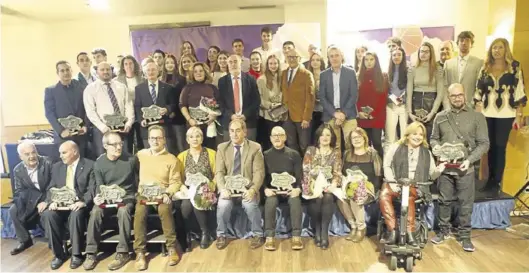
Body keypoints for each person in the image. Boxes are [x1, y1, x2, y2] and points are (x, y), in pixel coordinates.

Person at [430, 83, 489, 252]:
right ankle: (443, 231)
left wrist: (470, 160)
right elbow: (434, 138)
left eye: (460, 95)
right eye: (453, 95)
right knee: (443, 200)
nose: (457, 98)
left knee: (466, 203)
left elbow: (484, 144)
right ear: (448, 97)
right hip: (445, 168)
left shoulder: (477, 117)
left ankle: (465, 236)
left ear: (465, 95)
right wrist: (436, 148)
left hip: (466, 167)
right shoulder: (440, 117)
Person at [379, 122, 445, 246]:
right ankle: (393, 230)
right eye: (415, 134)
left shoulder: (426, 152)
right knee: (384, 195)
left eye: (421, 134)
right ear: (408, 135)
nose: (418, 137)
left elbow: (431, 174)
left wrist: (439, 170)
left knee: (408, 195)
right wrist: (392, 183)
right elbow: (386, 165)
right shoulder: (395, 147)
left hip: (415, 185)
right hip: (395, 182)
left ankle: (409, 232)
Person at [474, 38, 527, 193]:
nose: (496, 50)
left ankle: (497, 180)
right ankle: (490, 179)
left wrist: (519, 114)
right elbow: (478, 89)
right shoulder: (485, 67)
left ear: (506, 49)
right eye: (494, 48)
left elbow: (520, 90)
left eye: (500, 47)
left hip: (506, 113)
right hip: (486, 112)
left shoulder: (515, 67)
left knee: (500, 146)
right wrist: (477, 106)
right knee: (488, 147)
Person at [82, 132, 137, 270]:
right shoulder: (99, 163)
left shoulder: (131, 160)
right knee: (95, 211)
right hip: (108, 198)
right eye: (114, 144)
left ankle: (123, 252)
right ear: (105, 146)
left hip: (126, 197)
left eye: (120, 144)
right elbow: (99, 186)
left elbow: (138, 181)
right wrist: (98, 197)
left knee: (123, 211)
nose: (119, 147)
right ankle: (91, 252)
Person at [133, 125, 182, 270]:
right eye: (152, 138)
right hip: (144, 194)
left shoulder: (171, 159)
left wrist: (168, 193)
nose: (155, 141)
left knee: (164, 210)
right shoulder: (140, 155)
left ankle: (172, 247)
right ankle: (140, 252)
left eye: (158, 138)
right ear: (148, 140)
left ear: (164, 140)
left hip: (162, 193)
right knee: (139, 212)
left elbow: (176, 181)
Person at [41, 141, 95, 270]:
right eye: (60, 153)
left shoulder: (90, 165)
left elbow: (92, 188)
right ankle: (59, 255)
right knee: (48, 214)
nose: (61, 156)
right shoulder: (57, 167)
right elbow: (51, 188)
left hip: (79, 204)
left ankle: (76, 254)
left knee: (76, 214)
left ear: (75, 151)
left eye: (64, 153)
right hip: (60, 205)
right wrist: (51, 201)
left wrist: (83, 202)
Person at [215, 120, 265, 250]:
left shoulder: (255, 148)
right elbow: (219, 172)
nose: (234, 134)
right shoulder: (222, 148)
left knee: (250, 205)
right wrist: (222, 189)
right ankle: (221, 235)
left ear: (245, 132)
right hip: (228, 190)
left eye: (238, 130)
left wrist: (253, 190)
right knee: (223, 205)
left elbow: (259, 173)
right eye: (231, 131)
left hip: (247, 189)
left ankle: (258, 234)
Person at [176, 127, 217, 249]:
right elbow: (178, 178)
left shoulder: (211, 154)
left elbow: (217, 175)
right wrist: (184, 189)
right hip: (189, 191)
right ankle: (192, 233)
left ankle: (205, 232)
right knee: (185, 206)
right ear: (187, 140)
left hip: (207, 190)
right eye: (191, 137)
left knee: (199, 200)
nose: (195, 139)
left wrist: (210, 187)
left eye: (198, 136)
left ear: (202, 138)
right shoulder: (181, 157)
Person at [263, 126, 303, 251]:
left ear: (285, 137)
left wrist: (298, 189)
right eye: (274, 135)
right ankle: (269, 237)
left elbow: (300, 176)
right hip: (273, 191)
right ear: (270, 138)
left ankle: (296, 236)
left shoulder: (294, 154)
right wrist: (265, 189)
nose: (277, 138)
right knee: (270, 202)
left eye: (280, 135)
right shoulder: (265, 155)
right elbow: (262, 176)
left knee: (295, 202)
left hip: (290, 191)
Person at [338, 128, 381, 242]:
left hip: (368, 187)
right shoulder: (347, 154)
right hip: (349, 186)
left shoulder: (372, 154)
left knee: (354, 195)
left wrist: (374, 189)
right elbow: (342, 173)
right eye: (353, 138)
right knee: (340, 197)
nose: (356, 140)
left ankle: (361, 228)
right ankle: (353, 226)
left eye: (359, 137)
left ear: (364, 138)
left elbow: (378, 174)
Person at [302, 124, 342, 250]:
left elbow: (337, 172)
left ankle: (324, 232)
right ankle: (317, 228)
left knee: (328, 197)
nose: (325, 137)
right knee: (318, 198)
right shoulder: (311, 150)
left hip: (329, 186)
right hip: (312, 185)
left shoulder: (336, 153)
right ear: (318, 137)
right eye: (322, 135)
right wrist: (315, 188)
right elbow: (306, 170)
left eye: (328, 135)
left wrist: (334, 184)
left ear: (332, 138)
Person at [9, 141, 52, 255]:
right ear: (20, 157)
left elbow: (54, 185)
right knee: (13, 210)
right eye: (27, 154)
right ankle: (25, 240)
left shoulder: (48, 162)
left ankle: (54, 242)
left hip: (49, 197)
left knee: (46, 213)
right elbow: (19, 191)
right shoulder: (17, 170)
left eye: (34, 152)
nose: (32, 156)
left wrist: (46, 201)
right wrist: (33, 202)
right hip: (32, 200)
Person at [84, 62, 134, 158]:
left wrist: (128, 123)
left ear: (112, 71)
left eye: (108, 69)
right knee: (104, 159)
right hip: (102, 131)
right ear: (97, 72)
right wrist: (103, 127)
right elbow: (90, 112)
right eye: (102, 70)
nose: (105, 72)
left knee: (125, 158)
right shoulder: (90, 89)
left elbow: (129, 106)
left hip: (122, 129)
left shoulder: (121, 86)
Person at [45, 61, 89, 158]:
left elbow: (88, 108)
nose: (66, 73)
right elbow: (49, 113)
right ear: (58, 73)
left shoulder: (82, 87)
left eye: (67, 69)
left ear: (71, 70)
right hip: (63, 136)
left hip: (81, 134)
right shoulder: (51, 91)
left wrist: (85, 125)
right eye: (62, 70)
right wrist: (61, 131)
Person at [319, 46, 358, 151]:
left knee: (352, 144)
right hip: (330, 114)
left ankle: (351, 166)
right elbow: (322, 97)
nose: (334, 58)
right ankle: (336, 167)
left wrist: (343, 113)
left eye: (337, 55)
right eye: (331, 56)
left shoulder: (350, 72)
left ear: (342, 56)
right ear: (328, 58)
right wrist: (335, 113)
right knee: (333, 146)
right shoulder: (323, 75)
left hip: (348, 113)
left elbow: (353, 95)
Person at [406, 42, 445, 140]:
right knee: (414, 136)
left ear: (431, 53)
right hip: (415, 104)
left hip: (431, 104)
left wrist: (432, 113)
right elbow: (409, 93)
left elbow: (440, 94)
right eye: (421, 51)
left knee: (430, 137)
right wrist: (410, 113)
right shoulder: (412, 69)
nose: (423, 54)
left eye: (426, 52)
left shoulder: (438, 69)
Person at [218, 54, 261, 141]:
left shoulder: (251, 79)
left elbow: (256, 101)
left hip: (248, 122)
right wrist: (231, 115)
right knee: (230, 152)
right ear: (227, 64)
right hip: (229, 123)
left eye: (235, 61)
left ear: (240, 63)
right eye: (230, 62)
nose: (233, 64)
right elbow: (221, 103)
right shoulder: (222, 81)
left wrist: (245, 115)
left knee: (249, 151)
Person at [179, 62, 221, 149]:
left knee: (210, 149)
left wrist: (214, 116)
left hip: (209, 125)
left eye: (201, 71)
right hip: (193, 125)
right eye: (195, 71)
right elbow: (182, 105)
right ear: (192, 74)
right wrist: (189, 119)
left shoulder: (212, 88)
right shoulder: (187, 88)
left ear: (205, 72)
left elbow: (219, 104)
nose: (198, 73)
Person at [282, 49, 315, 156]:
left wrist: (306, 118)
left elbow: (310, 97)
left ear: (299, 59)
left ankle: (306, 169)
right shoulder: (284, 73)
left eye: (294, 57)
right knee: (291, 144)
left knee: (304, 145)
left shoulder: (306, 74)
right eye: (289, 57)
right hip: (287, 116)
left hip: (302, 117)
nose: (291, 59)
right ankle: (296, 169)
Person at [134, 62, 173, 150]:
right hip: (147, 128)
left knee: (165, 155)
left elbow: (173, 104)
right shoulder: (139, 89)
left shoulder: (168, 88)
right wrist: (141, 120)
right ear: (144, 72)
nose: (151, 72)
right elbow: (137, 107)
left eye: (153, 70)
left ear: (158, 71)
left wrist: (167, 109)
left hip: (164, 127)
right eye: (148, 70)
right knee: (150, 157)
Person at [356, 51, 388, 158]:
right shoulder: (358, 76)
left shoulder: (382, 76)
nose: (369, 62)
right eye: (366, 60)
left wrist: (374, 113)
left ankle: (382, 169)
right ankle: (368, 168)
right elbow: (356, 98)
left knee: (377, 142)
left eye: (371, 59)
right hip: (362, 116)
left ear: (376, 61)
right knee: (365, 143)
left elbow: (383, 99)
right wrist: (359, 112)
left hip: (377, 116)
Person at [444, 31, 484, 108]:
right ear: (457, 43)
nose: (464, 43)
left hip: (470, 105)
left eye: (467, 41)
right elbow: (445, 85)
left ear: (471, 44)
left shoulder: (479, 63)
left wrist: (474, 103)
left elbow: (479, 86)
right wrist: (447, 105)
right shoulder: (448, 63)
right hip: (451, 106)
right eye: (461, 40)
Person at [115, 55, 144, 154]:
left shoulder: (141, 78)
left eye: (130, 63)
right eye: (126, 64)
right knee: (128, 140)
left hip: (140, 113)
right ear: (123, 66)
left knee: (141, 139)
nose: (128, 66)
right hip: (126, 115)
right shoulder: (117, 80)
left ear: (134, 64)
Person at [257, 55, 285, 151]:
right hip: (268, 115)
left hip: (282, 114)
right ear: (267, 65)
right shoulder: (261, 79)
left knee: (282, 140)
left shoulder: (283, 77)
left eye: (275, 63)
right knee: (270, 142)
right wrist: (270, 105)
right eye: (271, 63)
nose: (273, 66)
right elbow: (259, 98)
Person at [385, 47, 408, 148]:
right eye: (394, 55)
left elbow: (411, 88)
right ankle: (389, 162)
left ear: (403, 57)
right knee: (390, 137)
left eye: (399, 55)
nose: (396, 57)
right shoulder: (387, 73)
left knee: (405, 136)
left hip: (405, 107)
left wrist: (404, 97)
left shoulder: (409, 71)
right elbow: (385, 90)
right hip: (390, 106)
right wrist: (391, 97)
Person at [307, 52, 326, 142]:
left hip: (324, 111)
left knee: (323, 135)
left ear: (321, 62)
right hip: (310, 111)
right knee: (312, 137)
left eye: (318, 60)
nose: (315, 62)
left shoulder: (326, 76)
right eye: (313, 60)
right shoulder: (306, 76)